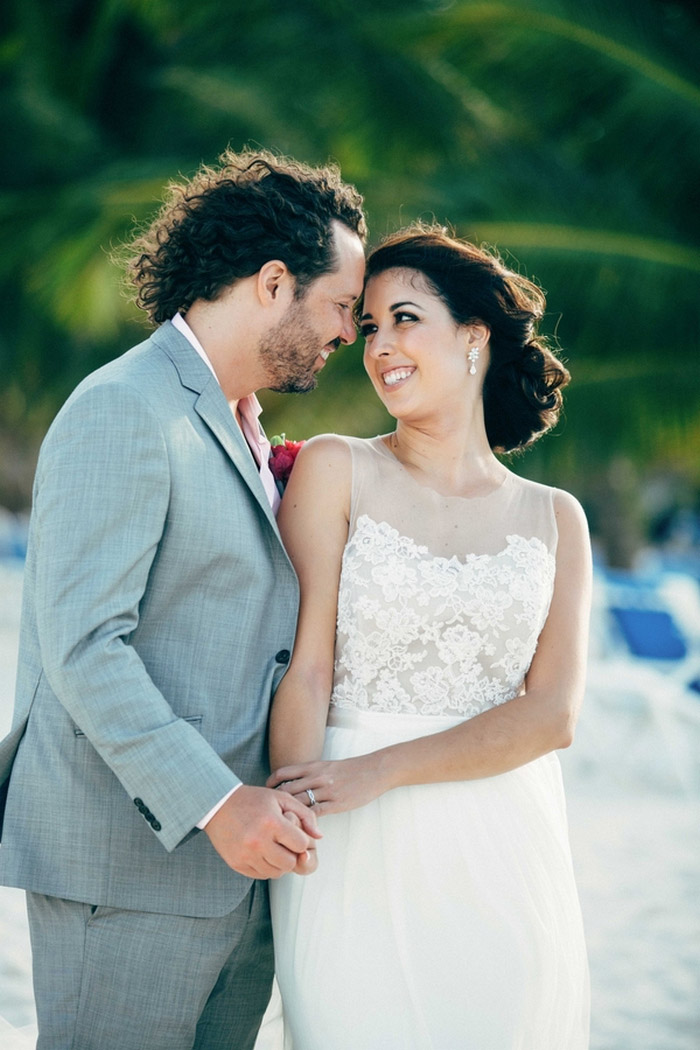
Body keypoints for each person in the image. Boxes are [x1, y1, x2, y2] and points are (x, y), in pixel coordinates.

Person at [0, 147, 366, 1050]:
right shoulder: (124, 407)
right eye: (341, 306)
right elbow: (84, 647)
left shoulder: (236, 420)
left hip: (235, 881)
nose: (351, 332)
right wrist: (218, 803)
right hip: (127, 872)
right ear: (273, 282)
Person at [265, 225, 591, 1048]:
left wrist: (382, 771)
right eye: (369, 327)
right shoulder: (338, 468)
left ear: (474, 337)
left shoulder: (556, 519)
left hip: (501, 846)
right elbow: (306, 668)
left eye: (404, 318)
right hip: (346, 838)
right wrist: (295, 814)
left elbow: (552, 715)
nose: (380, 347)